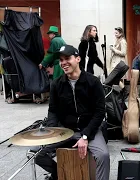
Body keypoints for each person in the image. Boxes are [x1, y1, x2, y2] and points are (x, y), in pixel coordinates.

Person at [34, 45, 110, 180]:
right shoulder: (57, 84)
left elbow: (100, 112)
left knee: (103, 156)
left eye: (67, 58)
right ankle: (60, 174)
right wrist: (52, 132)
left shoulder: (93, 81)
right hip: (66, 130)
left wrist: (85, 136)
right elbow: (53, 110)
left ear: (78, 59)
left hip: (89, 129)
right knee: (38, 155)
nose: (64, 63)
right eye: (61, 60)